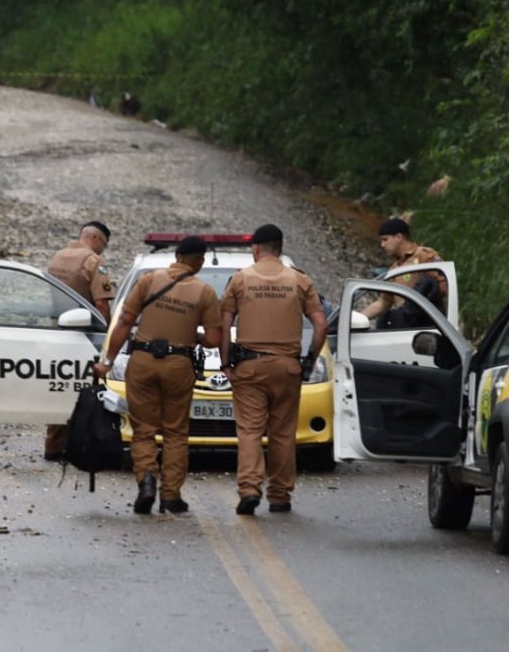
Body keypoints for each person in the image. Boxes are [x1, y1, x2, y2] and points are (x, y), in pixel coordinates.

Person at [93, 236, 222, 514]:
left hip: (142, 361)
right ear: (199, 261)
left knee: (144, 429)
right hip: (179, 364)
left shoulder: (149, 280)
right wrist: (194, 335)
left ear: (176, 255)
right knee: (176, 432)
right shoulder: (205, 292)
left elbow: (125, 322)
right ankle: (171, 495)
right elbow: (214, 338)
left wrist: (106, 362)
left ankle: (147, 481)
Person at [220, 224, 327, 515]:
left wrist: (226, 362)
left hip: (249, 367)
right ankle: (280, 495)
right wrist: (309, 360)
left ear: (256, 249)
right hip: (287, 367)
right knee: (282, 433)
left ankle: (250, 488)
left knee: (250, 430)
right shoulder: (300, 280)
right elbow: (320, 324)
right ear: (280, 248)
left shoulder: (241, 279)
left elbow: (225, 322)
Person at [44, 221, 116, 460]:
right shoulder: (93, 262)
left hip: (56, 333)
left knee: (58, 388)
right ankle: (83, 445)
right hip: (84, 336)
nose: (102, 251)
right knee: (87, 392)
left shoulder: (57, 257)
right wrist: (106, 337)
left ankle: (53, 445)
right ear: (97, 239)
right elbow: (102, 304)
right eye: (103, 245)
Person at [361, 217, 447, 325]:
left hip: (428, 324)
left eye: (385, 239)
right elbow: (384, 302)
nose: (382, 245)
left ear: (398, 237)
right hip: (406, 324)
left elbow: (444, 286)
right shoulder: (394, 270)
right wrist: (357, 318)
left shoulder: (423, 255)